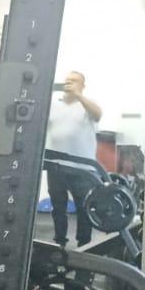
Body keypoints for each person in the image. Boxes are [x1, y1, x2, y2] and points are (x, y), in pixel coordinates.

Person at [43, 71, 104, 246]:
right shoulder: (53, 105)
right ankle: (59, 242)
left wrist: (78, 96)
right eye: (67, 80)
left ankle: (84, 244)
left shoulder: (87, 105)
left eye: (74, 81)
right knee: (58, 208)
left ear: (82, 86)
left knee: (84, 209)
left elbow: (98, 114)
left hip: (82, 169)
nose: (69, 83)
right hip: (56, 166)